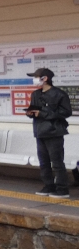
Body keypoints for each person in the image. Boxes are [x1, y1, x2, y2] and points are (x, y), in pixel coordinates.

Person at [26, 68, 73, 198]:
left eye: (36, 77)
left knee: (57, 161)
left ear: (45, 78)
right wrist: (30, 113)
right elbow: (34, 109)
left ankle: (62, 189)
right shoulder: (35, 94)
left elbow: (66, 112)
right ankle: (48, 185)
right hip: (39, 131)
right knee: (44, 161)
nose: (34, 80)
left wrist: (43, 113)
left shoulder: (59, 94)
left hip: (54, 131)